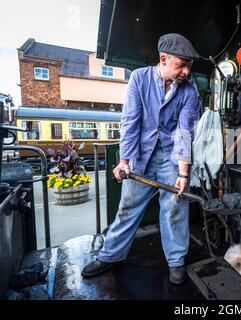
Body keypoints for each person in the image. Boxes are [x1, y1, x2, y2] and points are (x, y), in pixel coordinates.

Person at [81, 33, 201, 285]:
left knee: (175, 209)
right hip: (140, 156)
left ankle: (176, 261)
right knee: (128, 209)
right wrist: (124, 160)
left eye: (189, 66)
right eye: (182, 65)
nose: (186, 72)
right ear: (164, 59)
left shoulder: (189, 91)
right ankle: (110, 255)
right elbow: (130, 121)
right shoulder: (139, 78)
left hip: (171, 158)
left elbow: (184, 132)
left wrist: (182, 173)